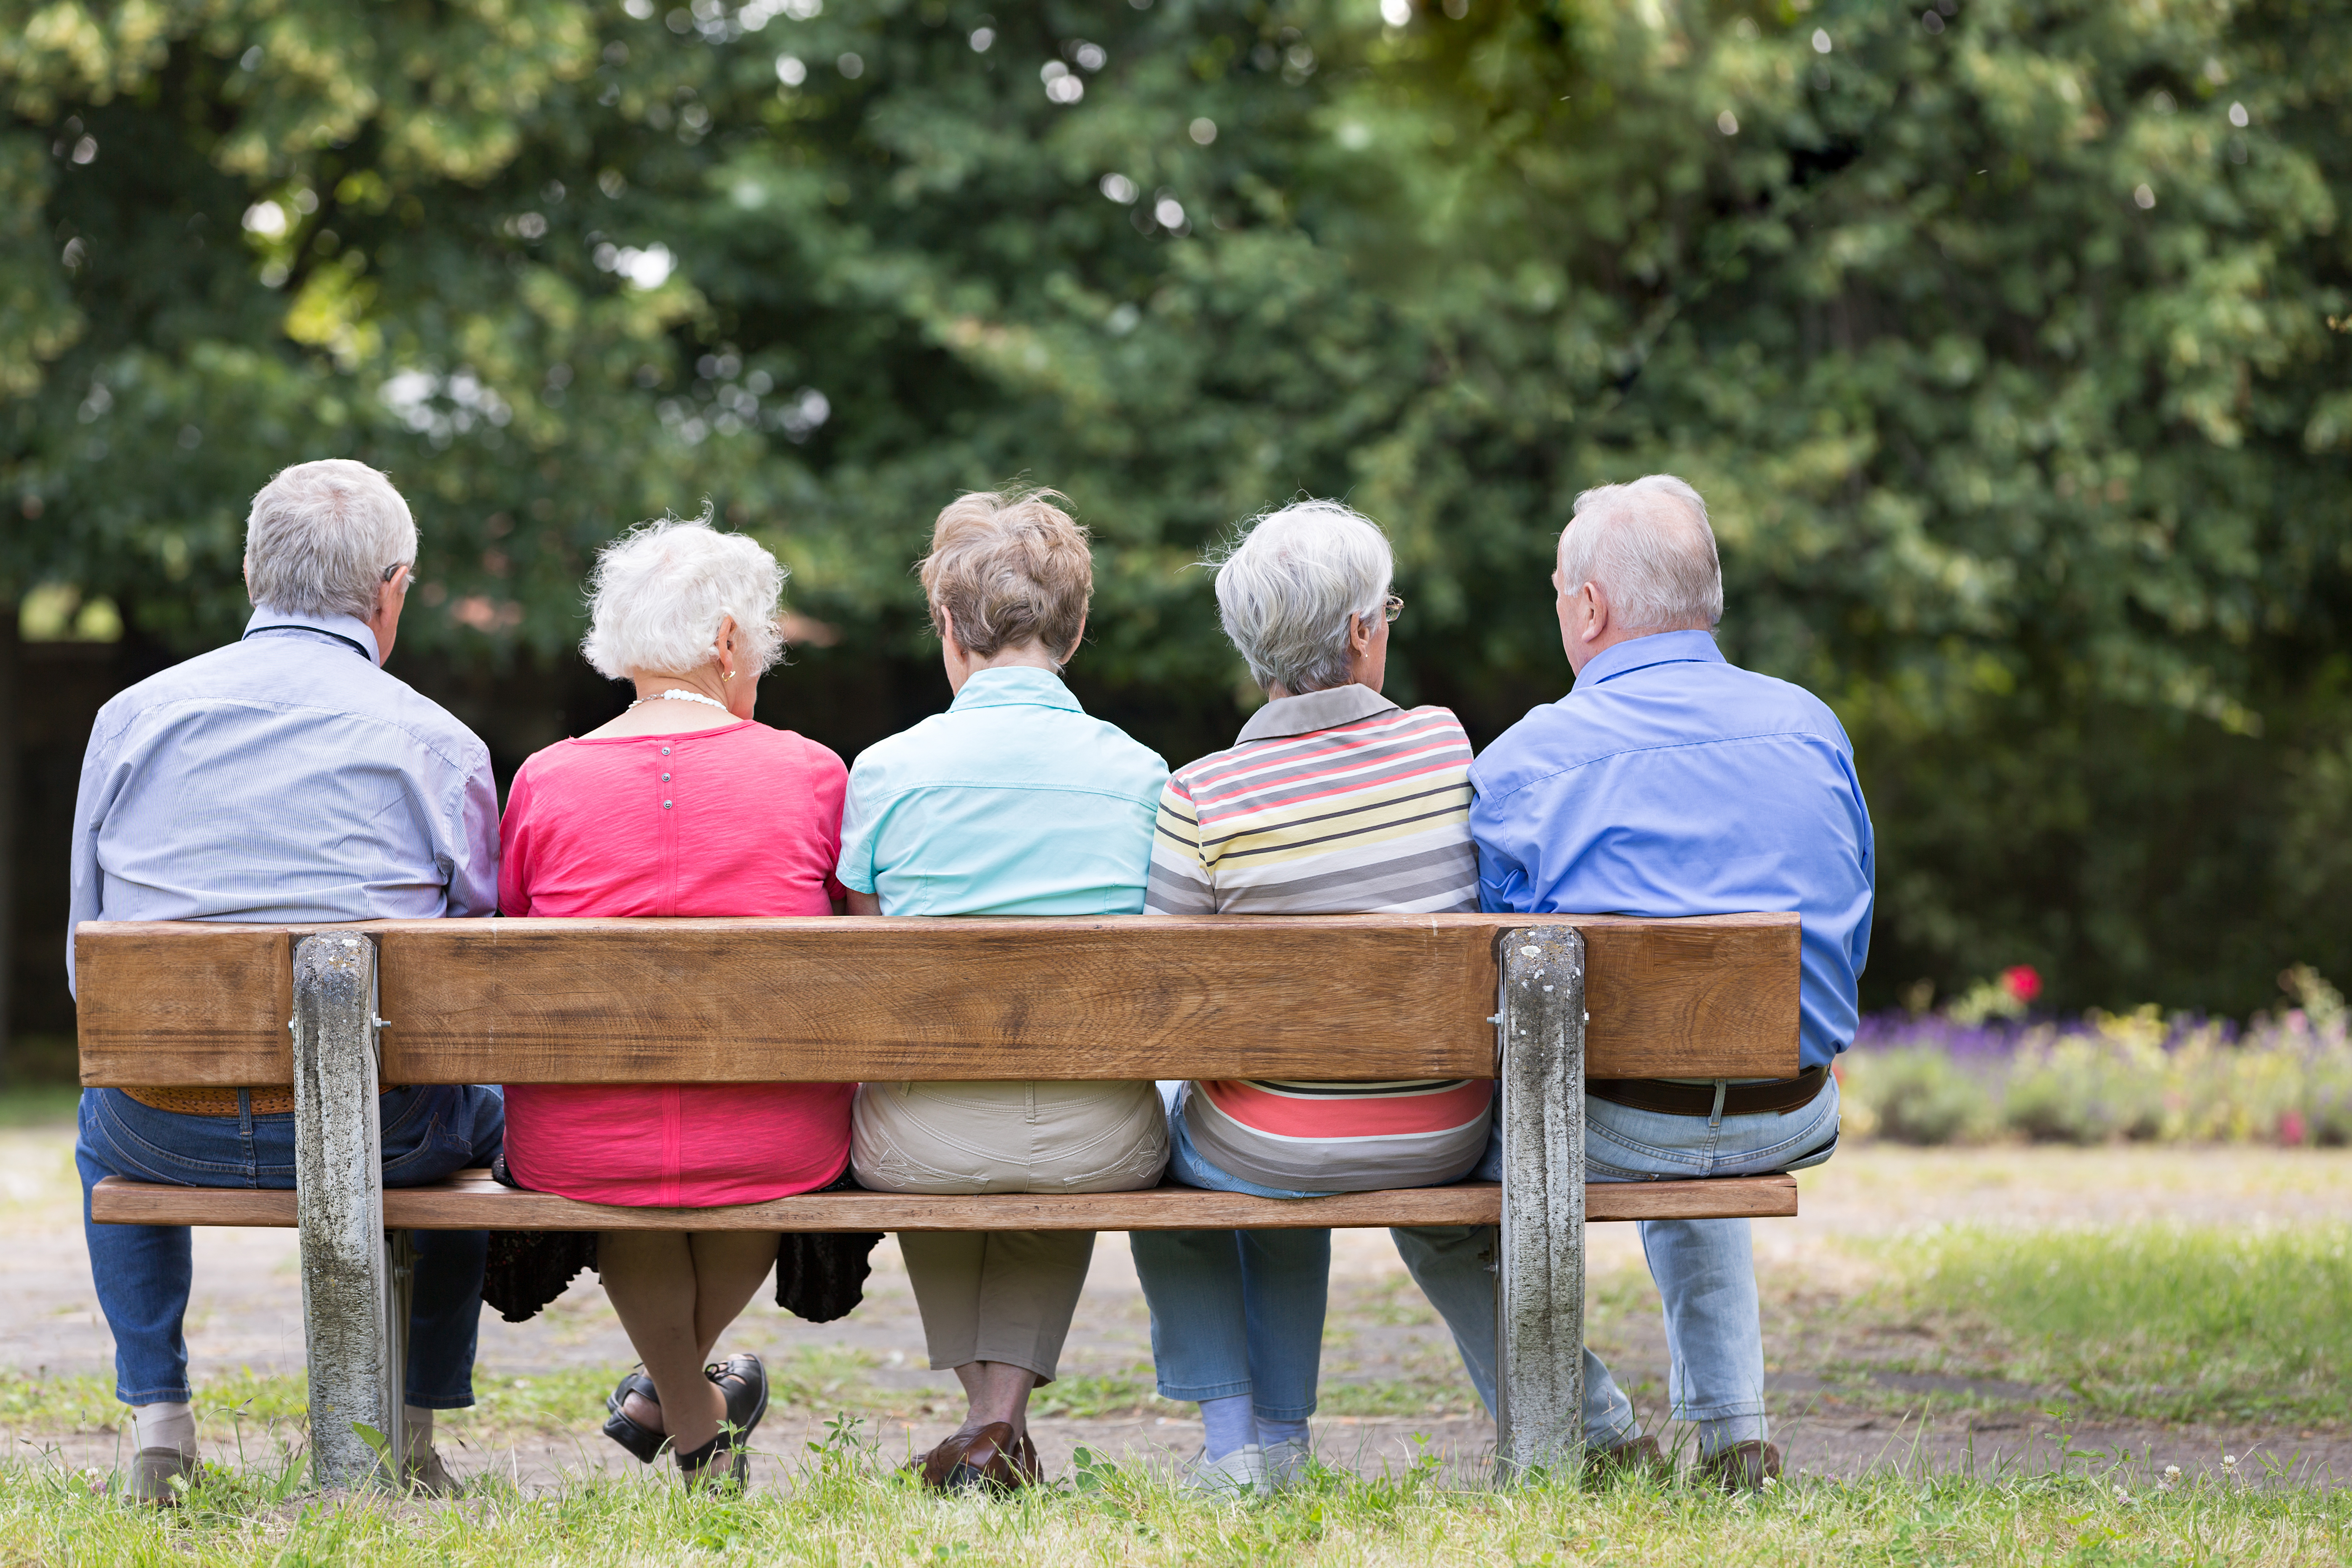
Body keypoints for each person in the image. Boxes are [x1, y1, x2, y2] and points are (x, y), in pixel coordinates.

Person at [1400, 474, 1871, 1490]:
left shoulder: (1527, 763)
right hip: (1789, 1103)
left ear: (1591, 608)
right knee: (1699, 1061)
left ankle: (1594, 1435)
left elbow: (1505, 990)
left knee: (1426, 1198)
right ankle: (1735, 1435)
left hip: (1612, 1116)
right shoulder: (1812, 730)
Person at [67, 459, 505, 1503]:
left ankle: (161, 1427)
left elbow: (86, 960)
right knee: (483, 1110)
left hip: (162, 1125)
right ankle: (409, 1426)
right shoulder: (440, 745)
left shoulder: (131, 720)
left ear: (253, 572)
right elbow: (481, 969)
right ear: (391, 589)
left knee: (98, 1115)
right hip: (386, 1133)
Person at [1134, 500, 1491, 1496]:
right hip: (1448, 1128)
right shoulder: (1447, 751)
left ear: (1255, 652)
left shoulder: (1203, 793)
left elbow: (1165, 999)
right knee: (1277, 1119)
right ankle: (1279, 1437)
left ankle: (1243, 1447)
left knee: (1197, 1132)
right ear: (1363, 632)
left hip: (1273, 1143)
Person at [497, 515, 853, 1487]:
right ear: (728, 640)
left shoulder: (545, 780)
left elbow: (518, 927)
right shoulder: (814, 773)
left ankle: (682, 1411)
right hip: (779, 1135)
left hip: (581, 1134)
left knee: (633, 1179)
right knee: (747, 1157)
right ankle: (692, 1415)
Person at [839, 489, 1169, 1491]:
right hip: (1101, 1138)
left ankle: (984, 1426)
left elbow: (865, 957)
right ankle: (998, 1428)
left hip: (918, 1146)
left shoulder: (888, 770)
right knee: (1056, 1124)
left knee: (929, 1110)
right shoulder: (1145, 773)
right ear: (1075, 630)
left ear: (948, 624)